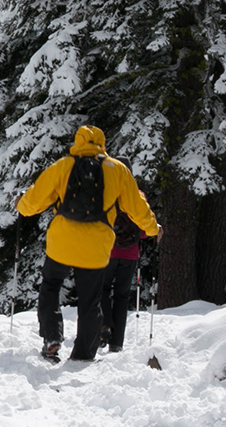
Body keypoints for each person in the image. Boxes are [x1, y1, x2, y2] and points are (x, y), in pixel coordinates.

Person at [15, 126, 159, 363]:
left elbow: (33, 202)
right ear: (103, 143)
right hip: (97, 246)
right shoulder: (118, 170)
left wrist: (21, 205)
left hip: (62, 242)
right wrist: (154, 229)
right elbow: (138, 209)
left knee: (51, 286)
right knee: (90, 299)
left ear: (78, 142)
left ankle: (52, 337)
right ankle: (83, 354)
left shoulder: (62, 166)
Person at [98, 208, 150, 353]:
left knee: (103, 289)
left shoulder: (110, 191)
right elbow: (144, 231)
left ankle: (105, 324)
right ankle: (116, 343)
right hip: (130, 254)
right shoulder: (138, 196)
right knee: (122, 296)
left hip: (108, 251)